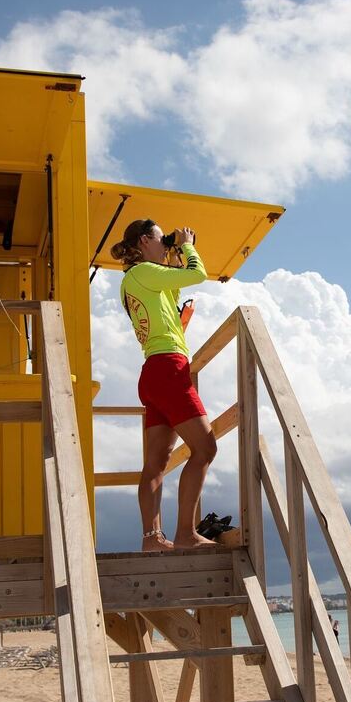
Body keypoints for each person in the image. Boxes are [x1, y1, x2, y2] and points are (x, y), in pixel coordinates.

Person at [110, 218, 217, 552]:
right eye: (161, 239)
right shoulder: (144, 272)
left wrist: (171, 253)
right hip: (169, 369)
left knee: (156, 463)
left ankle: (152, 539)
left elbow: (174, 290)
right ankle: (185, 534)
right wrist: (187, 246)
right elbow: (198, 274)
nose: (166, 244)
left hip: (153, 372)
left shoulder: (134, 279)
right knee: (205, 448)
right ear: (144, 241)